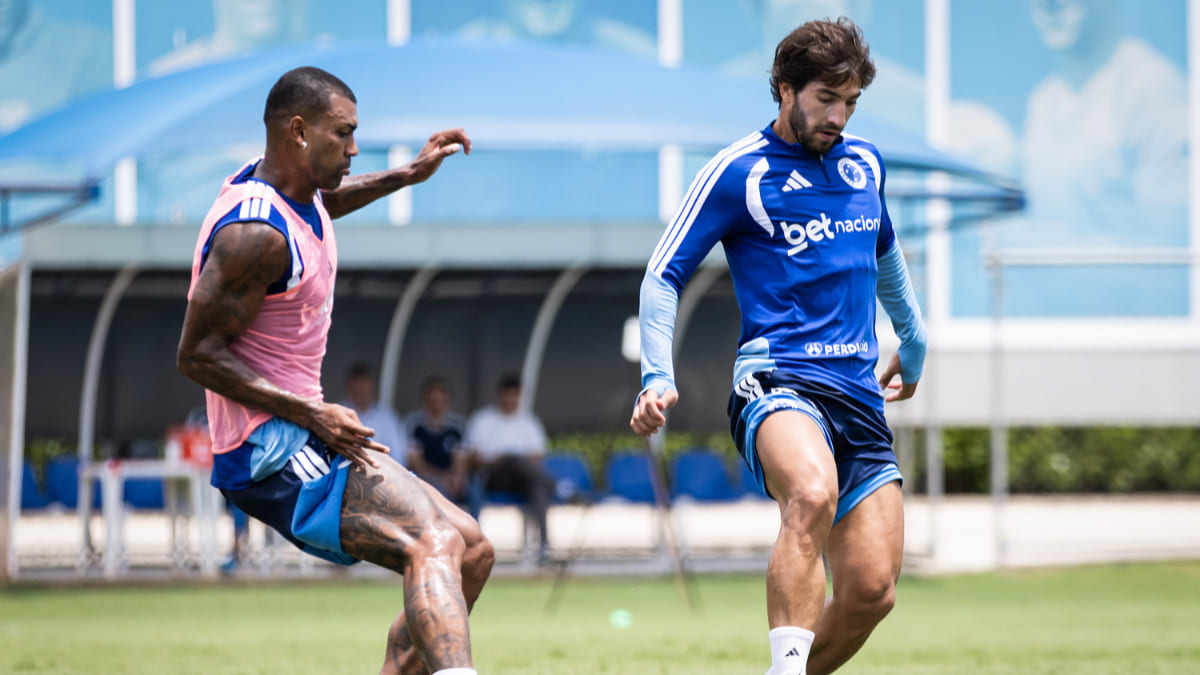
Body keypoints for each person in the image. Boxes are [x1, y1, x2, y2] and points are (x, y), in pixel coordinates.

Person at [631, 18, 926, 675]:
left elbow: (887, 263)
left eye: (851, 102)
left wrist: (915, 342)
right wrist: (657, 374)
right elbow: (663, 272)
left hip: (858, 393)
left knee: (872, 591)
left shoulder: (864, 164)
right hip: (777, 379)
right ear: (785, 89)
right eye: (827, 97)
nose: (839, 115)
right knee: (812, 494)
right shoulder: (739, 170)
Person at [176, 66, 492, 675]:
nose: (352, 149)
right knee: (433, 541)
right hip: (269, 448)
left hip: (306, 428)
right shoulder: (252, 235)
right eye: (342, 134)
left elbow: (326, 202)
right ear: (298, 131)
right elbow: (195, 356)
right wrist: (310, 411)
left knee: (473, 550)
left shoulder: (292, 190)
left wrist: (410, 173)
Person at [463, 373, 556, 563]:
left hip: (520, 480)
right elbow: (471, 458)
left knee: (536, 487)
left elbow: (537, 459)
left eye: (515, 396)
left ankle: (545, 547)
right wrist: (498, 460)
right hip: (491, 476)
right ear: (500, 395)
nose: (511, 400)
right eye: (508, 395)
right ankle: (558, 486)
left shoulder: (529, 422)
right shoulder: (482, 420)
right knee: (513, 459)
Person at [406, 375, 469, 504]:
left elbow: (461, 458)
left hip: (450, 478)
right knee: (439, 490)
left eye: (441, 397)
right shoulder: (414, 424)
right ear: (425, 399)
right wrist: (442, 478)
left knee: (474, 487)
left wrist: (457, 477)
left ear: (447, 399)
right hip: (425, 478)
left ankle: (475, 523)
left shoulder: (457, 425)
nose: (437, 402)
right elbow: (415, 463)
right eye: (433, 399)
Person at [341, 362, 407, 467]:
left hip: (382, 474)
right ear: (349, 387)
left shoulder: (387, 417)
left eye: (363, 386)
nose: (360, 390)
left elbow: (398, 457)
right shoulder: (339, 413)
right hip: (346, 473)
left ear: (371, 386)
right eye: (357, 389)